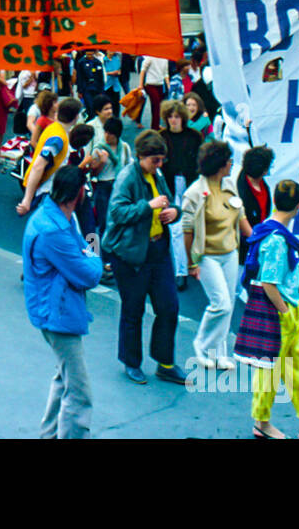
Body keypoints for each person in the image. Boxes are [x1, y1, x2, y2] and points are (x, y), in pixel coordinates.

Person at [233, 179, 299, 439]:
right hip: (281, 310)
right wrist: (286, 313)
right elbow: (269, 283)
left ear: (275, 200)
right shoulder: (276, 240)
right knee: (276, 371)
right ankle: (267, 424)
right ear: (298, 206)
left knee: (297, 367)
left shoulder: (265, 230)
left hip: (285, 307)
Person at [22, 166, 103, 439]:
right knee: (80, 392)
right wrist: (93, 257)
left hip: (53, 310)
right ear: (78, 193)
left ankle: (49, 434)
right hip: (58, 314)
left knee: (63, 377)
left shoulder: (56, 217)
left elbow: (83, 249)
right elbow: (90, 273)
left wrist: (86, 255)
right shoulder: (55, 230)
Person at [101, 130, 186, 385]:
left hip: (157, 251)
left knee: (169, 307)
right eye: (154, 160)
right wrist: (147, 207)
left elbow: (170, 202)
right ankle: (131, 362)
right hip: (131, 254)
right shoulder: (128, 177)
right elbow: (116, 212)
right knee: (133, 309)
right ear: (141, 157)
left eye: (161, 160)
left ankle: (165, 362)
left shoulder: (156, 174)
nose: (159, 165)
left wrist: (174, 212)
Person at [182, 140, 253, 370]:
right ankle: (202, 345)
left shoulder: (230, 185)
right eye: (229, 160)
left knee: (229, 304)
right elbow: (188, 231)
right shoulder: (194, 193)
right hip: (208, 256)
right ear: (219, 164)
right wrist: (192, 263)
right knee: (220, 303)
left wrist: (257, 241)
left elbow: (241, 216)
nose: (232, 164)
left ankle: (219, 352)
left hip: (230, 252)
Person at [158, 99, 202, 291]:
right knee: (177, 228)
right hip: (169, 184)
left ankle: (194, 262)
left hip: (191, 183)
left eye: (176, 117)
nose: (173, 120)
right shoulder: (161, 137)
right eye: (170, 117)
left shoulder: (194, 136)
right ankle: (181, 271)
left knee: (195, 222)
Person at [17, 98, 83, 216]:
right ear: (76, 117)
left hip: (50, 190)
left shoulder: (55, 129)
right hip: (47, 191)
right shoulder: (57, 139)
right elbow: (38, 166)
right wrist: (27, 200)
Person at [89, 117, 132, 238]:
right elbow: (93, 173)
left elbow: (128, 167)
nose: (107, 136)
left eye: (111, 134)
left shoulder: (124, 147)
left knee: (121, 219)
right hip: (104, 185)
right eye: (105, 132)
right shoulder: (99, 148)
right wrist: (101, 162)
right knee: (104, 221)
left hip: (120, 185)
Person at [236, 145, 275, 266]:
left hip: (257, 239)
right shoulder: (241, 193)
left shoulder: (262, 184)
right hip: (244, 247)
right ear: (264, 171)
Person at [138, 55, 170, 130]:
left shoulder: (165, 59)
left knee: (157, 106)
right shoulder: (150, 57)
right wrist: (141, 84)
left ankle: (156, 125)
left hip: (160, 85)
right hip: (150, 84)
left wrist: (168, 85)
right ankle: (155, 127)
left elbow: (166, 73)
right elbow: (143, 70)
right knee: (156, 105)